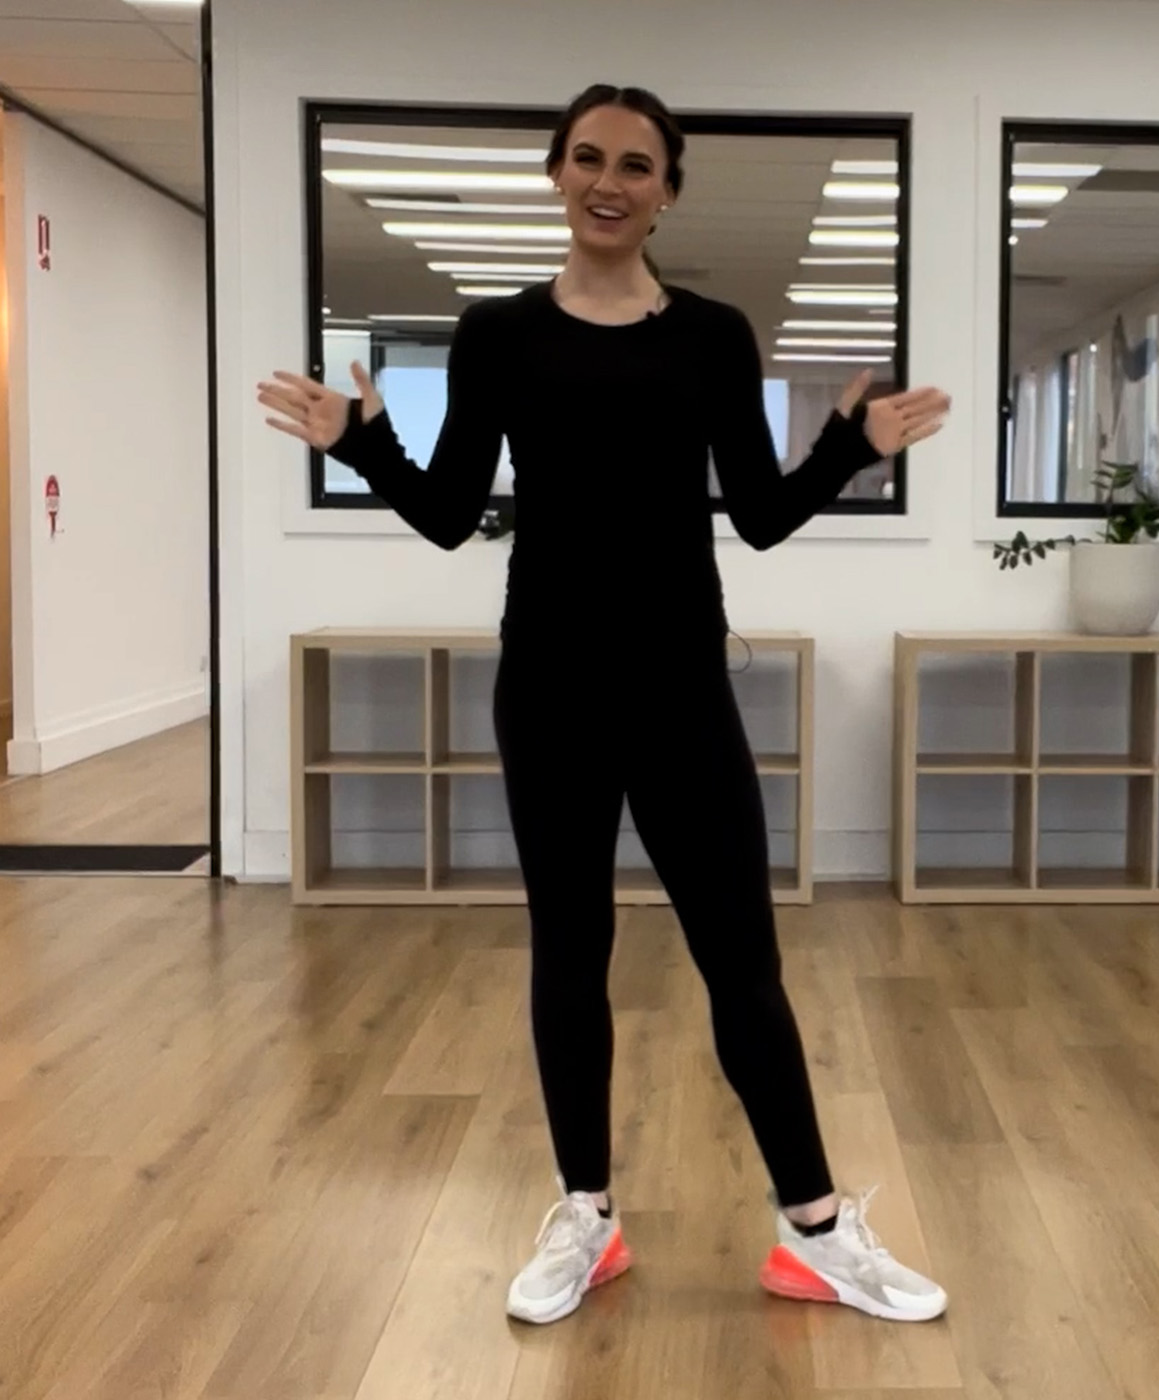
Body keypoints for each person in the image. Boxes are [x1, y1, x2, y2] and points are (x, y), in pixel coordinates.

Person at [259, 83, 951, 1328]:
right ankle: (587, 1214)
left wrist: (852, 450)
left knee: (741, 961)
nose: (608, 182)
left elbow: (759, 514)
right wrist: (358, 443)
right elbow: (450, 510)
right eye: (587, 158)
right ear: (556, 174)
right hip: (551, 687)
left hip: (681, 686)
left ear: (667, 192)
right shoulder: (497, 334)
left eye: (636, 165)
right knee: (569, 954)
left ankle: (814, 1229)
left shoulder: (714, 335)